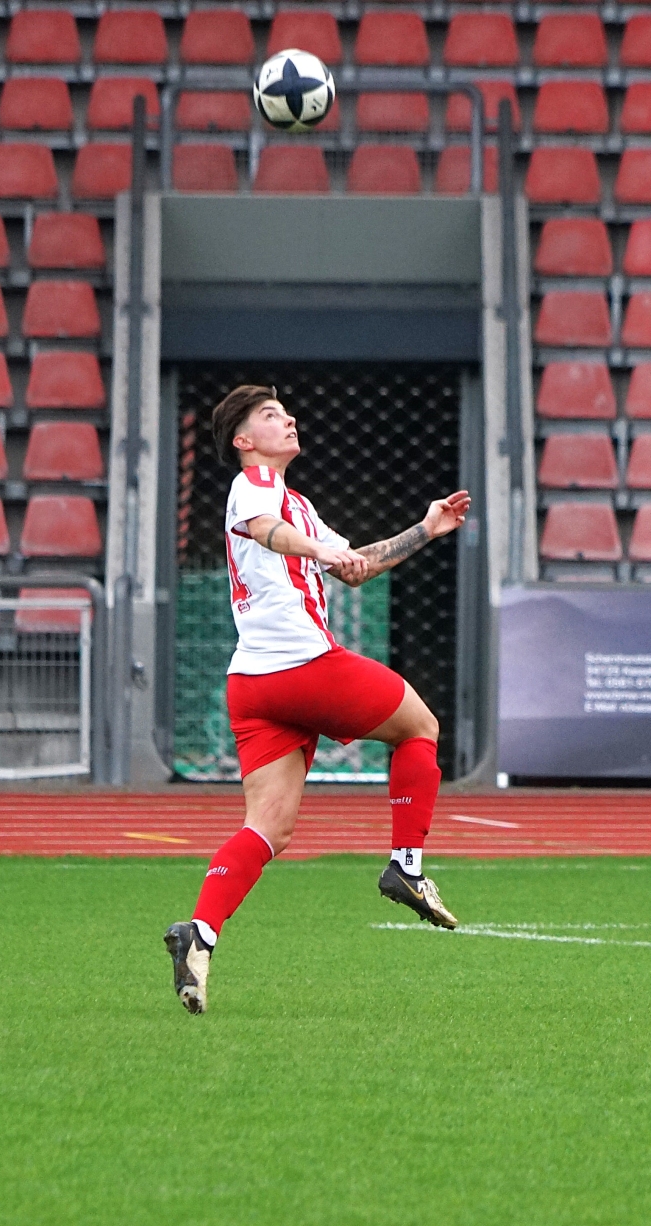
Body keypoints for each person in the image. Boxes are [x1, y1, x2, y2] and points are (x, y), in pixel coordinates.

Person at [163, 386, 471, 1015]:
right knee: (420, 728)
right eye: (270, 416)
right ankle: (407, 866)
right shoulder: (253, 484)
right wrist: (319, 549)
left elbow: (356, 566)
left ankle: (200, 934)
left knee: (268, 828)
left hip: (254, 685)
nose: (288, 420)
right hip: (301, 665)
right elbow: (265, 531)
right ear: (243, 440)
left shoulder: (297, 503)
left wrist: (425, 528)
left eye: (285, 413)